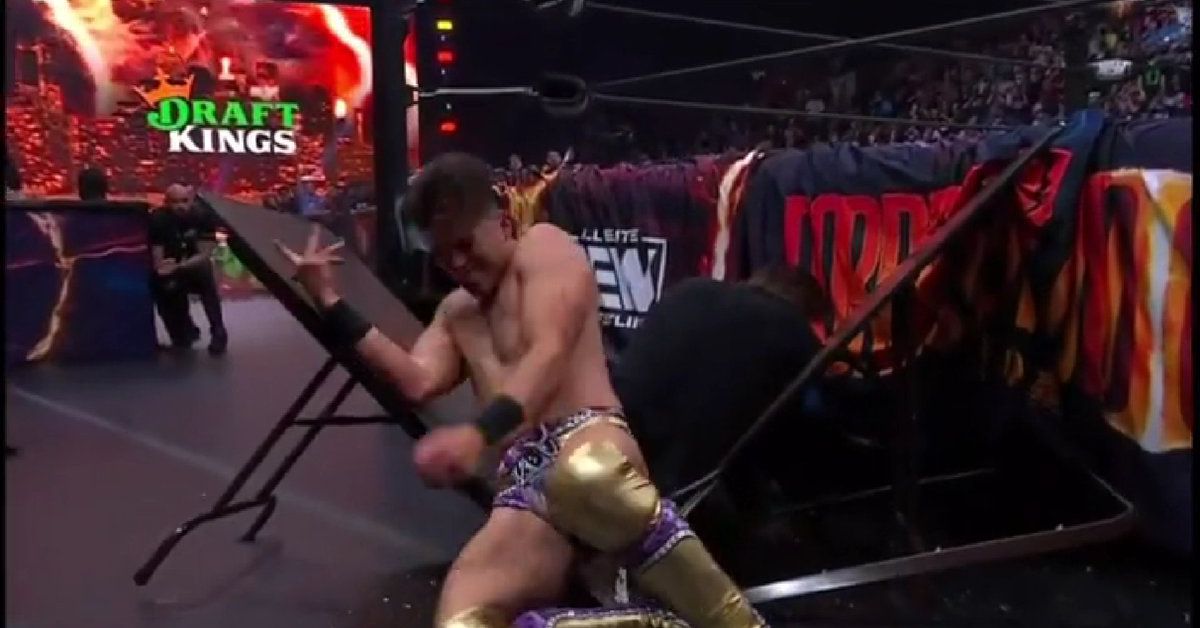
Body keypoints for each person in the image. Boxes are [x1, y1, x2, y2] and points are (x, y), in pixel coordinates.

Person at [276, 152, 766, 628]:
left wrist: (478, 435)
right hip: (523, 485)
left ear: (504, 223)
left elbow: (548, 351)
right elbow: (417, 380)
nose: (458, 264)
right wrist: (329, 300)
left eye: (466, 245)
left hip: (588, 441)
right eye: (444, 256)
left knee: (587, 476)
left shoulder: (544, 249)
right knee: (462, 622)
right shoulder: (456, 312)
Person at [611, 267, 830, 559]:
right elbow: (798, 446)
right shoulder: (791, 328)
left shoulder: (688, 290)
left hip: (608, 454)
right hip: (671, 505)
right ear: (809, 314)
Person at [148, 184, 228, 355]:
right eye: (175, 202)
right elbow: (157, 256)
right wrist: (163, 268)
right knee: (181, 340)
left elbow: (204, 253)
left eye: (184, 201)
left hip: (192, 265)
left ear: (190, 200)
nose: (180, 206)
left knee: (205, 272)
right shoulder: (158, 219)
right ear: (166, 203)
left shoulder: (203, 216)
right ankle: (186, 329)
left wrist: (180, 266)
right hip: (170, 267)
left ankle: (218, 331)